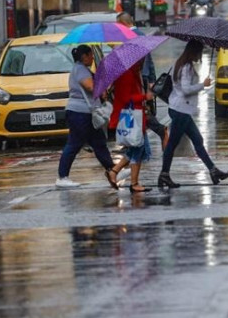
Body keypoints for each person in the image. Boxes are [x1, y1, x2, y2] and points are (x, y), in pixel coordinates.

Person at [158, 40, 228, 189]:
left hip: (180, 109)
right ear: (194, 51)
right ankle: (164, 174)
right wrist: (202, 85)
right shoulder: (186, 67)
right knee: (172, 144)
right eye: (200, 51)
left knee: (197, 140)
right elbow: (185, 89)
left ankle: (213, 170)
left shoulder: (183, 64)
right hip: (180, 110)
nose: (200, 54)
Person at [56, 45, 120, 190]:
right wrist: (101, 87)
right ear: (83, 56)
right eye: (90, 55)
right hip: (79, 113)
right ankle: (62, 177)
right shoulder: (80, 69)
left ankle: (112, 169)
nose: (92, 58)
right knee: (74, 144)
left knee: (98, 142)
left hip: (87, 113)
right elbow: (90, 87)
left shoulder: (84, 69)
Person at [116, 11, 168, 147]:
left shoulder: (132, 36)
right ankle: (137, 141)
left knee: (138, 109)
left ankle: (158, 131)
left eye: (118, 25)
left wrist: (150, 79)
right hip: (140, 77)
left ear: (124, 23)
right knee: (137, 110)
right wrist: (152, 78)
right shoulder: (139, 34)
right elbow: (149, 59)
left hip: (137, 78)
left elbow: (139, 60)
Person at [108, 61, 155, 193]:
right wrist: (144, 97)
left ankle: (114, 171)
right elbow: (126, 97)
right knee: (138, 148)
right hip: (133, 116)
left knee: (137, 148)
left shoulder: (133, 71)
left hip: (137, 115)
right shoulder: (127, 73)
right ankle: (133, 183)